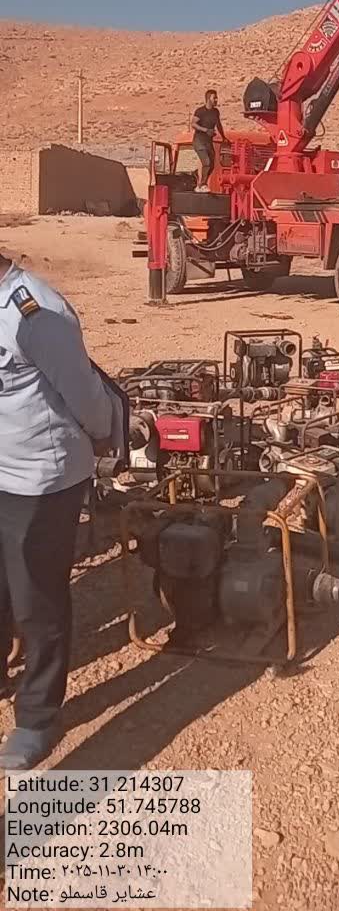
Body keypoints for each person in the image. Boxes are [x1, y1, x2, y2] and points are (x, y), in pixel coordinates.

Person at [0, 254, 117, 770]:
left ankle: (37, 717)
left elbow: (85, 395)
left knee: (36, 599)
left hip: (40, 481)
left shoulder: (36, 313)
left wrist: (103, 437)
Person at [191, 89, 228, 191]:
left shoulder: (216, 112)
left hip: (208, 142)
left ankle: (200, 182)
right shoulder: (200, 111)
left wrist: (224, 137)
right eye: (214, 98)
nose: (216, 100)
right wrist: (206, 130)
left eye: (216, 98)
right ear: (208, 99)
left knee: (212, 164)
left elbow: (218, 125)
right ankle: (203, 184)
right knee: (206, 162)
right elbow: (193, 124)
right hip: (199, 141)